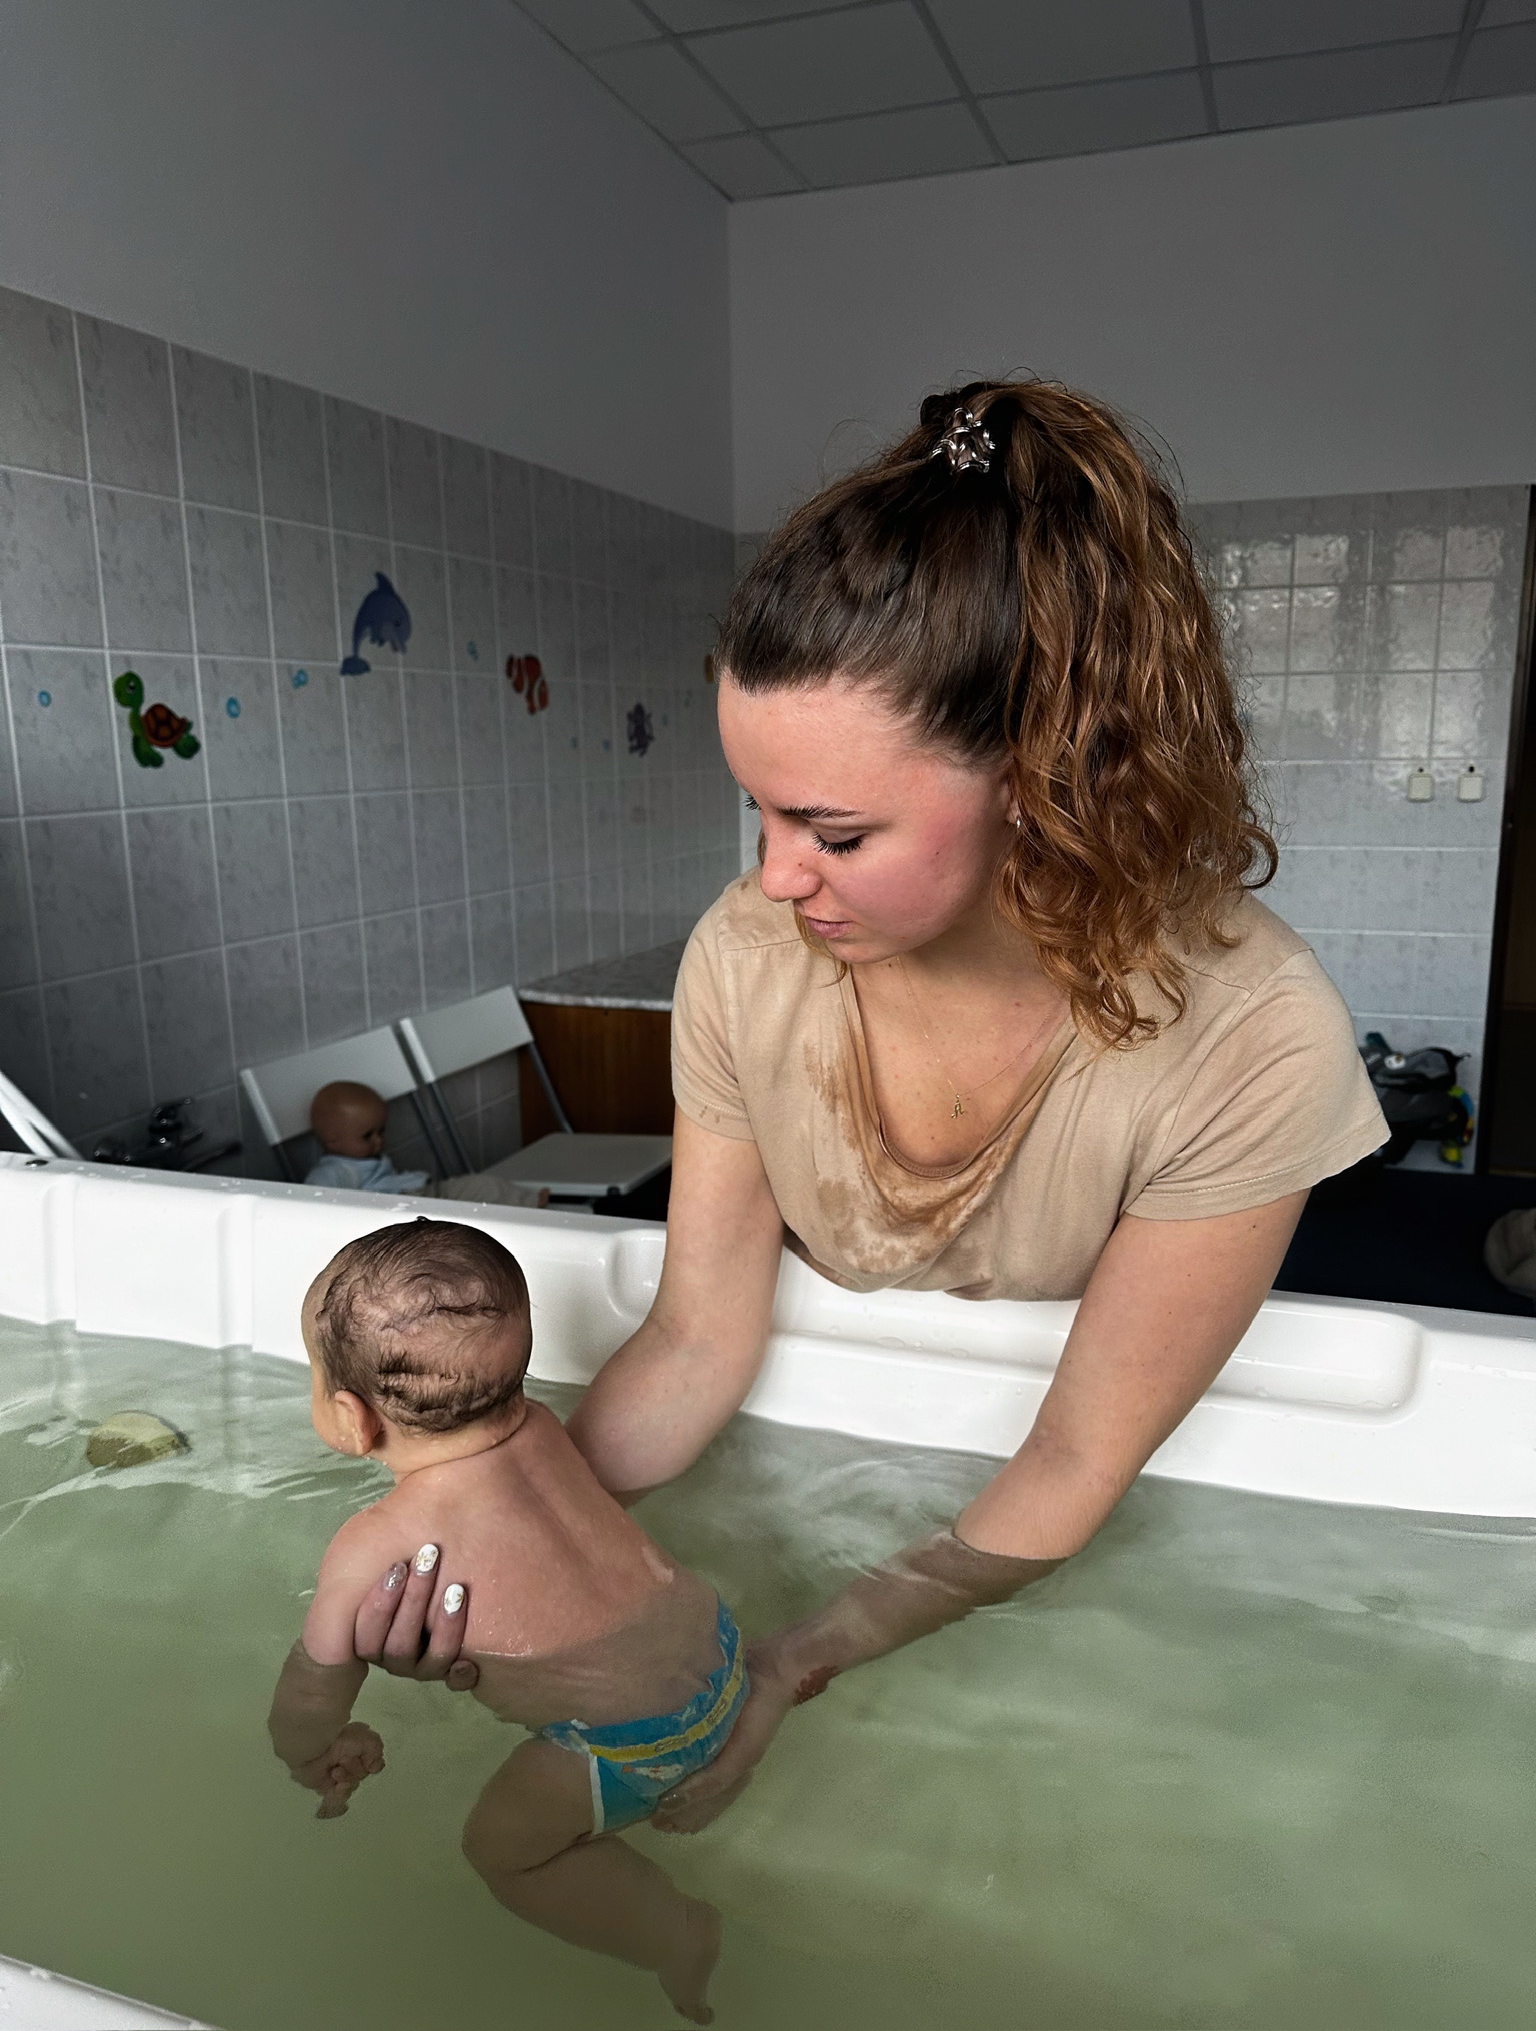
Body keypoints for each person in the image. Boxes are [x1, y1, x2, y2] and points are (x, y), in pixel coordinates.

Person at [351, 378, 1389, 1829]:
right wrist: (503, 1538)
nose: (775, 876)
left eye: (833, 832)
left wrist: (797, 1660)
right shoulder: (748, 955)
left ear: (1043, 779)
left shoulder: (1251, 1034)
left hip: (1033, 1545)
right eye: (760, 811)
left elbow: (1076, 1458)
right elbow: (699, 1337)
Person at [267, 1220, 744, 2023]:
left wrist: (307, 1751)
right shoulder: (545, 1429)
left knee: (503, 1853)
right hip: (720, 1654)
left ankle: (675, 1932)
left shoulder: (373, 1545)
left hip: (634, 1743)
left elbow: (314, 1684)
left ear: (351, 1417)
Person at [304, 1081, 548, 1210]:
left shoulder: (361, 1158)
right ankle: (526, 1208)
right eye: (367, 1136)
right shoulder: (332, 1173)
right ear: (332, 1138)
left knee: (482, 1185)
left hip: (424, 1191)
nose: (379, 1141)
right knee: (472, 1206)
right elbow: (315, 1207)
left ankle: (530, 1201)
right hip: (406, 1209)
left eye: (381, 1131)